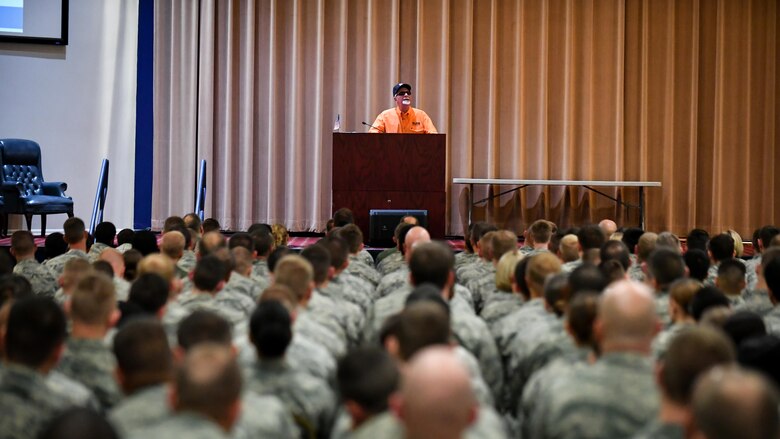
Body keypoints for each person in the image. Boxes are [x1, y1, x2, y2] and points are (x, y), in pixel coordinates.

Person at [368, 83, 437, 134]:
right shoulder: (385, 115)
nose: (406, 95)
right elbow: (372, 134)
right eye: (402, 93)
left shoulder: (421, 115)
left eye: (408, 93)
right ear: (395, 98)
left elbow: (434, 135)